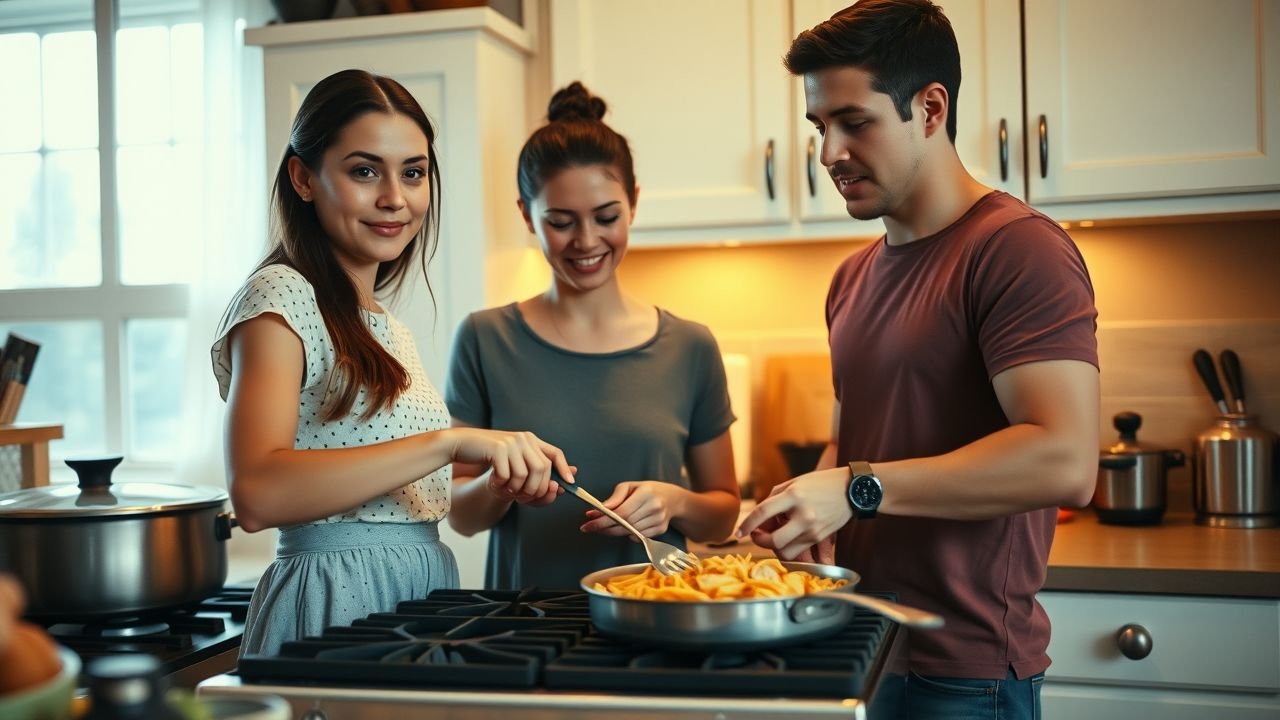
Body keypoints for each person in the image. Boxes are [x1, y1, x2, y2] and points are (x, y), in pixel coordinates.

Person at [735, 2, 1099, 718]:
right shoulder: (852, 277)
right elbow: (856, 444)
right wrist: (808, 511)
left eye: (855, 122)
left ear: (930, 108)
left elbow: (1065, 461)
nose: (829, 152)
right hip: (861, 644)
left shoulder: (1016, 249)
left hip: (964, 671)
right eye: (819, 128)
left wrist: (855, 488)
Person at [212, 69, 573, 655]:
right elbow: (256, 492)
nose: (395, 198)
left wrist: (501, 483)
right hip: (334, 605)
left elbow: (410, 503)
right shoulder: (280, 296)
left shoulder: (381, 324)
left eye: (413, 173)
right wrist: (449, 444)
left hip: (416, 602)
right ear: (303, 178)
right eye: (364, 171)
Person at [445, 82, 741, 590]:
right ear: (525, 215)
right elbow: (462, 517)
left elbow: (722, 515)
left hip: (659, 621)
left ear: (634, 203)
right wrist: (501, 484)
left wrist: (675, 502)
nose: (586, 242)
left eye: (606, 217)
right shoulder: (484, 338)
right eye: (560, 222)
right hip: (523, 631)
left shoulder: (691, 346)